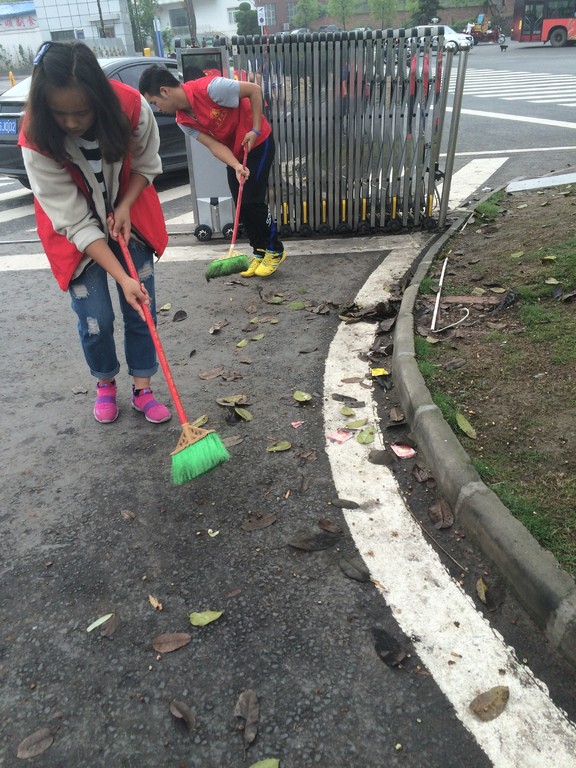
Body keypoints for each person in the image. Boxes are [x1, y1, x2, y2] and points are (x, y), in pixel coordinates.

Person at [19, 41, 172, 425]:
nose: (72, 123)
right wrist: (121, 277)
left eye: (82, 112)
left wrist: (123, 206)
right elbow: (73, 220)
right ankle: (105, 382)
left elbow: (148, 164)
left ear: (99, 100)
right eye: (60, 113)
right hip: (74, 232)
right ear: (44, 106)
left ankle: (143, 388)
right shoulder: (36, 134)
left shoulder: (131, 107)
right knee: (97, 318)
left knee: (141, 309)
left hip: (129, 214)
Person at [138, 64, 286, 278]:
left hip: (258, 143)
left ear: (164, 91)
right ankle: (259, 252)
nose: (157, 108)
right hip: (235, 153)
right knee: (241, 206)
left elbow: (254, 90)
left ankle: (275, 249)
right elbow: (214, 146)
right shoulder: (182, 120)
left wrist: (255, 129)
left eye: (154, 102)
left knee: (253, 201)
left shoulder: (211, 88)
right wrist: (235, 165)